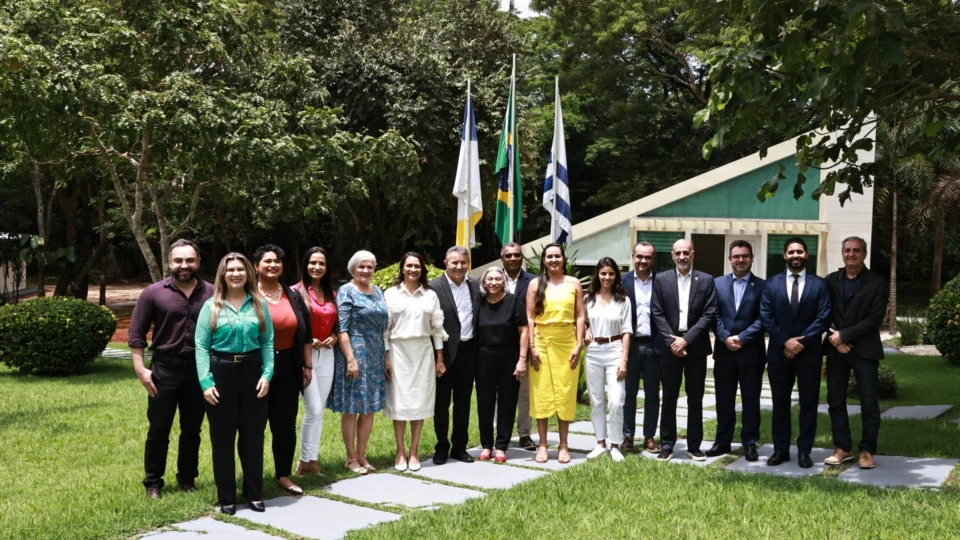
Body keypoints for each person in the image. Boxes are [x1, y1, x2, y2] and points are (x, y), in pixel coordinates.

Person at [129, 239, 213, 500]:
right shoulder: (153, 293)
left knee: (192, 430)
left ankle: (187, 479)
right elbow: (137, 332)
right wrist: (141, 369)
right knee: (159, 429)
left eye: (189, 260)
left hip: (199, 372)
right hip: (163, 370)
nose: (184, 265)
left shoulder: (212, 292)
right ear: (169, 262)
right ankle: (153, 483)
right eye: (178, 260)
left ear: (198, 262)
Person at [195, 252, 274, 515]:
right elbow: (201, 346)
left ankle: (254, 493)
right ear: (222, 274)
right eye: (231, 270)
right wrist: (206, 382)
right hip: (221, 373)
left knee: (253, 438)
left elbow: (267, 342)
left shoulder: (259, 305)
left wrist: (267, 374)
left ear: (248, 273)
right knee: (223, 438)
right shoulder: (211, 306)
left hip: (253, 374)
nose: (236, 273)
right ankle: (226, 497)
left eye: (241, 269)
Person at [759, 237, 831, 469]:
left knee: (808, 404)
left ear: (806, 255)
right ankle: (780, 450)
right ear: (784, 255)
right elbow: (766, 317)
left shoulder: (819, 285)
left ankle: (804, 451)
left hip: (809, 354)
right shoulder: (771, 284)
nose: (795, 255)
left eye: (799, 251)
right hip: (779, 354)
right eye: (791, 252)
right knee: (780, 403)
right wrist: (785, 342)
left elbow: (823, 318)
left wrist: (799, 343)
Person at [253, 244, 313, 496]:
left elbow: (306, 334)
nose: (273, 265)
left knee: (285, 425)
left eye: (277, 261)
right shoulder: (247, 295)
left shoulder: (294, 296)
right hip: (254, 367)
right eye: (267, 261)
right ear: (256, 266)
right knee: (252, 425)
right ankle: (252, 478)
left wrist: (307, 366)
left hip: (288, 365)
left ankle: (283, 475)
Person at [823, 237, 888, 470]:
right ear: (842, 253)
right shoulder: (830, 281)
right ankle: (842, 448)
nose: (851, 254)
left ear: (865, 253)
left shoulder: (877, 283)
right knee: (835, 400)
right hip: (836, 350)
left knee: (869, 402)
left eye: (856, 251)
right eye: (847, 250)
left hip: (865, 350)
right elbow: (823, 312)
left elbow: (875, 318)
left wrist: (844, 335)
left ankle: (867, 450)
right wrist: (837, 340)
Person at [651, 239, 716, 462]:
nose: (682, 256)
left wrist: (685, 340)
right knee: (669, 397)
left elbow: (708, 314)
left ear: (692, 254)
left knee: (695, 398)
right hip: (669, 348)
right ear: (672, 255)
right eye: (678, 253)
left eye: (685, 252)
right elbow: (656, 313)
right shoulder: (660, 279)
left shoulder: (706, 280)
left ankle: (694, 446)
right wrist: (674, 342)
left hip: (695, 348)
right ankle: (667, 445)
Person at [383, 252, 447, 472]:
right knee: (400, 403)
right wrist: (386, 357)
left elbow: (437, 328)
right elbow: (385, 330)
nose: (413, 270)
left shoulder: (430, 295)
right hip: (398, 352)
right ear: (402, 268)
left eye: (417, 266)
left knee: (419, 403)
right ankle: (400, 452)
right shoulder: (390, 294)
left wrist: (440, 358)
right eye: (409, 266)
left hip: (423, 353)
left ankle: (414, 451)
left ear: (422, 269)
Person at [328, 250, 388, 475]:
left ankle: (362, 455)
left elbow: (383, 328)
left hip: (376, 351)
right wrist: (351, 360)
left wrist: (385, 358)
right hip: (354, 351)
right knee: (352, 408)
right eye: (361, 266)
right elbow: (341, 328)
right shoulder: (346, 291)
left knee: (369, 407)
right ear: (353, 268)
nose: (366, 270)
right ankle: (350, 457)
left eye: (370, 267)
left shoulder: (379, 291)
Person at [525, 243, 586, 464]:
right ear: (543, 260)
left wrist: (579, 344)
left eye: (557, 256)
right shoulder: (535, 284)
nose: (553, 260)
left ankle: (563, 445)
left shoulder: (574, 283)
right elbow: (530, 317)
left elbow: (580, 315)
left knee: (565, 393)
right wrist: (531, 346)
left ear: (563, 259)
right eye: (549, 256)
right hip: (541, 341)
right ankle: (542, 444)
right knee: (541, 393)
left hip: (567, 343)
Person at [707, 240, 767, 462]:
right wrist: (724, 337)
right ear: (730, 259)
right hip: (724, 353)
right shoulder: (716, 284)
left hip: (751, 353)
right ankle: (722, 442)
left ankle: (749, 443)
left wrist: (742, 338)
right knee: (724, 400)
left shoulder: (763, 286)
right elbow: (712, 314)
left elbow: (764, 319)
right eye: (736, 256)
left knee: (751, 400)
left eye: (745, 256)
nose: (740, 260)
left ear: (752, 258)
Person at [429, 246, 480, 464]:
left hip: (469, 352)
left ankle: (459, 447)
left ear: (468, 263)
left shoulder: (476, 285)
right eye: (454, 262)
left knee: (463, 403)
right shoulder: (433, 288)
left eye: (463, 262)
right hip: (444, 354)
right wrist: (437, 358)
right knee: (441, 403)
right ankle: (441, 446)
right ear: (445, 263)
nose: (459, 266)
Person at [291, 247, 338, 477]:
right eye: (312, 263)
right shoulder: (294, 293)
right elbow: (293, 325)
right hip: (304, 357)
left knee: (319, 412)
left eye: (321, 263)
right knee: (314, 408)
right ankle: (303, 461)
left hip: (327, 356)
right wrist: (311, 340)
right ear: (305, 265)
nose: (316, 267)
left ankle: (312, 460)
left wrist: (334, 336)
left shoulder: (331, 294)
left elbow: (338, 325)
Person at [475, 266, 529, 463]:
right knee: (484, 403)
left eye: (498, 279)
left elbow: (524, 331)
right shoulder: (479, 302)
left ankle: (501, 446)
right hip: (483, 357)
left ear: (503, 282)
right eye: (490, 279)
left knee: (507, 401)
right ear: (484, 282)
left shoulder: (513, 301)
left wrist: (522, 360)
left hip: (509, 356)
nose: (494, 282)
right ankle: (486, 445)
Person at [583, 258, 632, 462]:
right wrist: (585, 330)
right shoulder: (588, 299)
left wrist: (624, 361)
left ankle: (615, 444)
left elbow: (627, 331)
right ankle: (600, 443)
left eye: (611, 273)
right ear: (597, 274)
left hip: (615, 350)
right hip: (593, 351)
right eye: (603, 273)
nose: (607, 277)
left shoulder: (623, 300)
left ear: (616, 276)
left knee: (616, 400)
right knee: (596, 399)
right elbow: (581, 322)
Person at [621, 241, 659, 453]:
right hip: (630, 345)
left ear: (653, 259)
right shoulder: (621, 281)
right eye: (639, 256)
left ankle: (649, 436)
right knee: (629, 393)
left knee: (653, 393)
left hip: (654, 345)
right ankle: (627, 436)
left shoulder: (662, 281)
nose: (643, 261)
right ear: (633, 256)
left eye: (648, 257)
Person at [500, 242, 537, 451]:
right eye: (508, 256)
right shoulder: (492, 279)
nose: (513, 259)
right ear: (502, 258)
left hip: (526, 343)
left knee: (524, 392)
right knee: (499, 392)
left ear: (522, 257)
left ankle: (525, 434)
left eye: (517, 255)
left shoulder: (533, 281)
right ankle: (500, 433)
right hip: (499, 345)